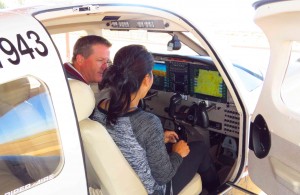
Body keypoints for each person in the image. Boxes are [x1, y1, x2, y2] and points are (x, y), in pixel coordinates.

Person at [92, 45, 220, 194]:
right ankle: (216, 190)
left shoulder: (101, 105)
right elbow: (163, 176)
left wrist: (157, 137)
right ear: (147, 79)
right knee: (200, 147)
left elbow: (123, 138)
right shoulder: (148, 122)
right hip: (155, 189)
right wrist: (178, 153)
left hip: (121, 173)